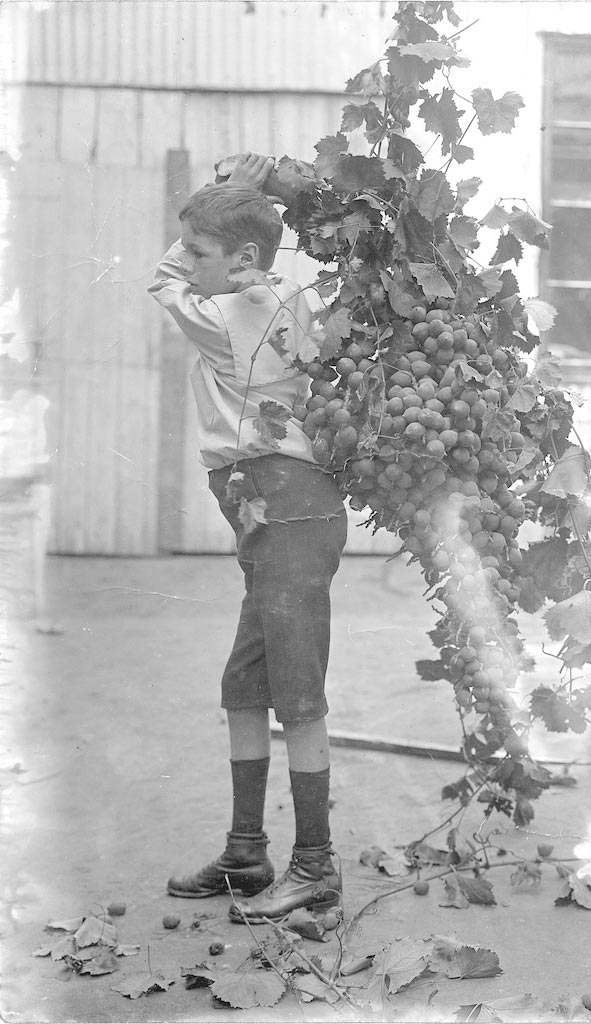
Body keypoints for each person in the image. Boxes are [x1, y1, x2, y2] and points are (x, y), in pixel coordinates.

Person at [148, 154, 347, 922]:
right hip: (271, 506)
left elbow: (165, 282)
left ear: (245, 261)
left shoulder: (230, 311)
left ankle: (315, 866)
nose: (189, 262)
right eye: (192, 249)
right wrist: (249, 203)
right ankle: (245, 852)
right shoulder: (280, 291)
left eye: (203, 252)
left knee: (295, 690)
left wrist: (239, 205)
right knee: (246, 685)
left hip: (287, 502)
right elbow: (199, 260)